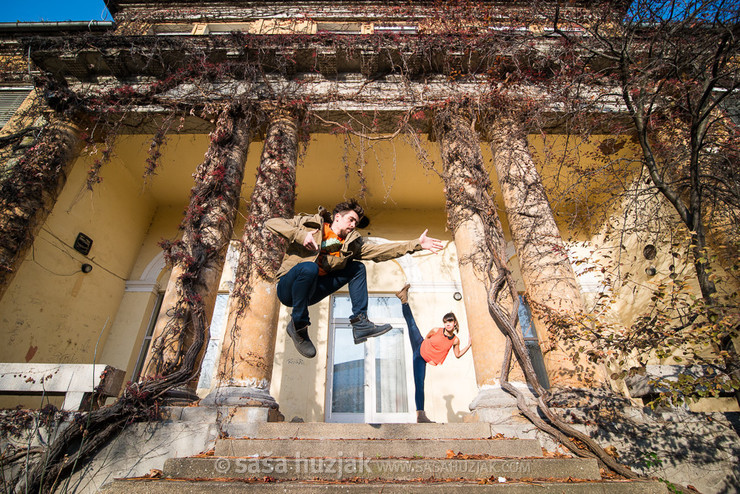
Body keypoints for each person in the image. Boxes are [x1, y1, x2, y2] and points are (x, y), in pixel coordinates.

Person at [265, 199, 443, 358]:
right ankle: (299, 325)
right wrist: (300, 235)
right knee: (309, 267)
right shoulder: (309, 224)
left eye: (356, 223)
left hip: (312, 292)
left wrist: (416, 244)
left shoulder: (350, 245)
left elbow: (382, 251)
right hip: (288, 288)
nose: (353, 225)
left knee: (357, 267)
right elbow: (271, 223)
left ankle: (360, 323)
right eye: (350, 220)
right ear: (337, 217)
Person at [395, 283, 471, 423]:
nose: (447, 324)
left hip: (422, 357)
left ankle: (420, 415)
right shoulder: (436, 330)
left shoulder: (455, 340)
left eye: (450, 322)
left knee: (420, 384)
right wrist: (426, 349)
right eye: (446, 322)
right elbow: (428, 337)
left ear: (455, 323)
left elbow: (458, 354)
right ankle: (403, 299)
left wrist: (469, 345)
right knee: (411, 324)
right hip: (420, 347)